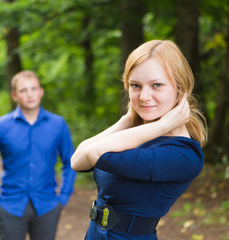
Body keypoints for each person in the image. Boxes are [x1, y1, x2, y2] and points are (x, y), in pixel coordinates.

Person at [71, 39, 207, 240]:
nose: (144, 96)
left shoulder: (183, 155)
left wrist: (162, 126)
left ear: (180, 87)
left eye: (157, 85)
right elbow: (77, 160)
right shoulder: (138, 131)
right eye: (135, 85)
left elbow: (92, 153)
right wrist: (127, 119)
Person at [0, 70, 76, 240]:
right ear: (14, 95)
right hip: (10, 207)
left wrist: (63, 198)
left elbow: (70, 162)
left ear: (41, 91)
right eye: (23, 90)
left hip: (47, 207)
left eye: (34, 88)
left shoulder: (58, 124)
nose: (30, 94)